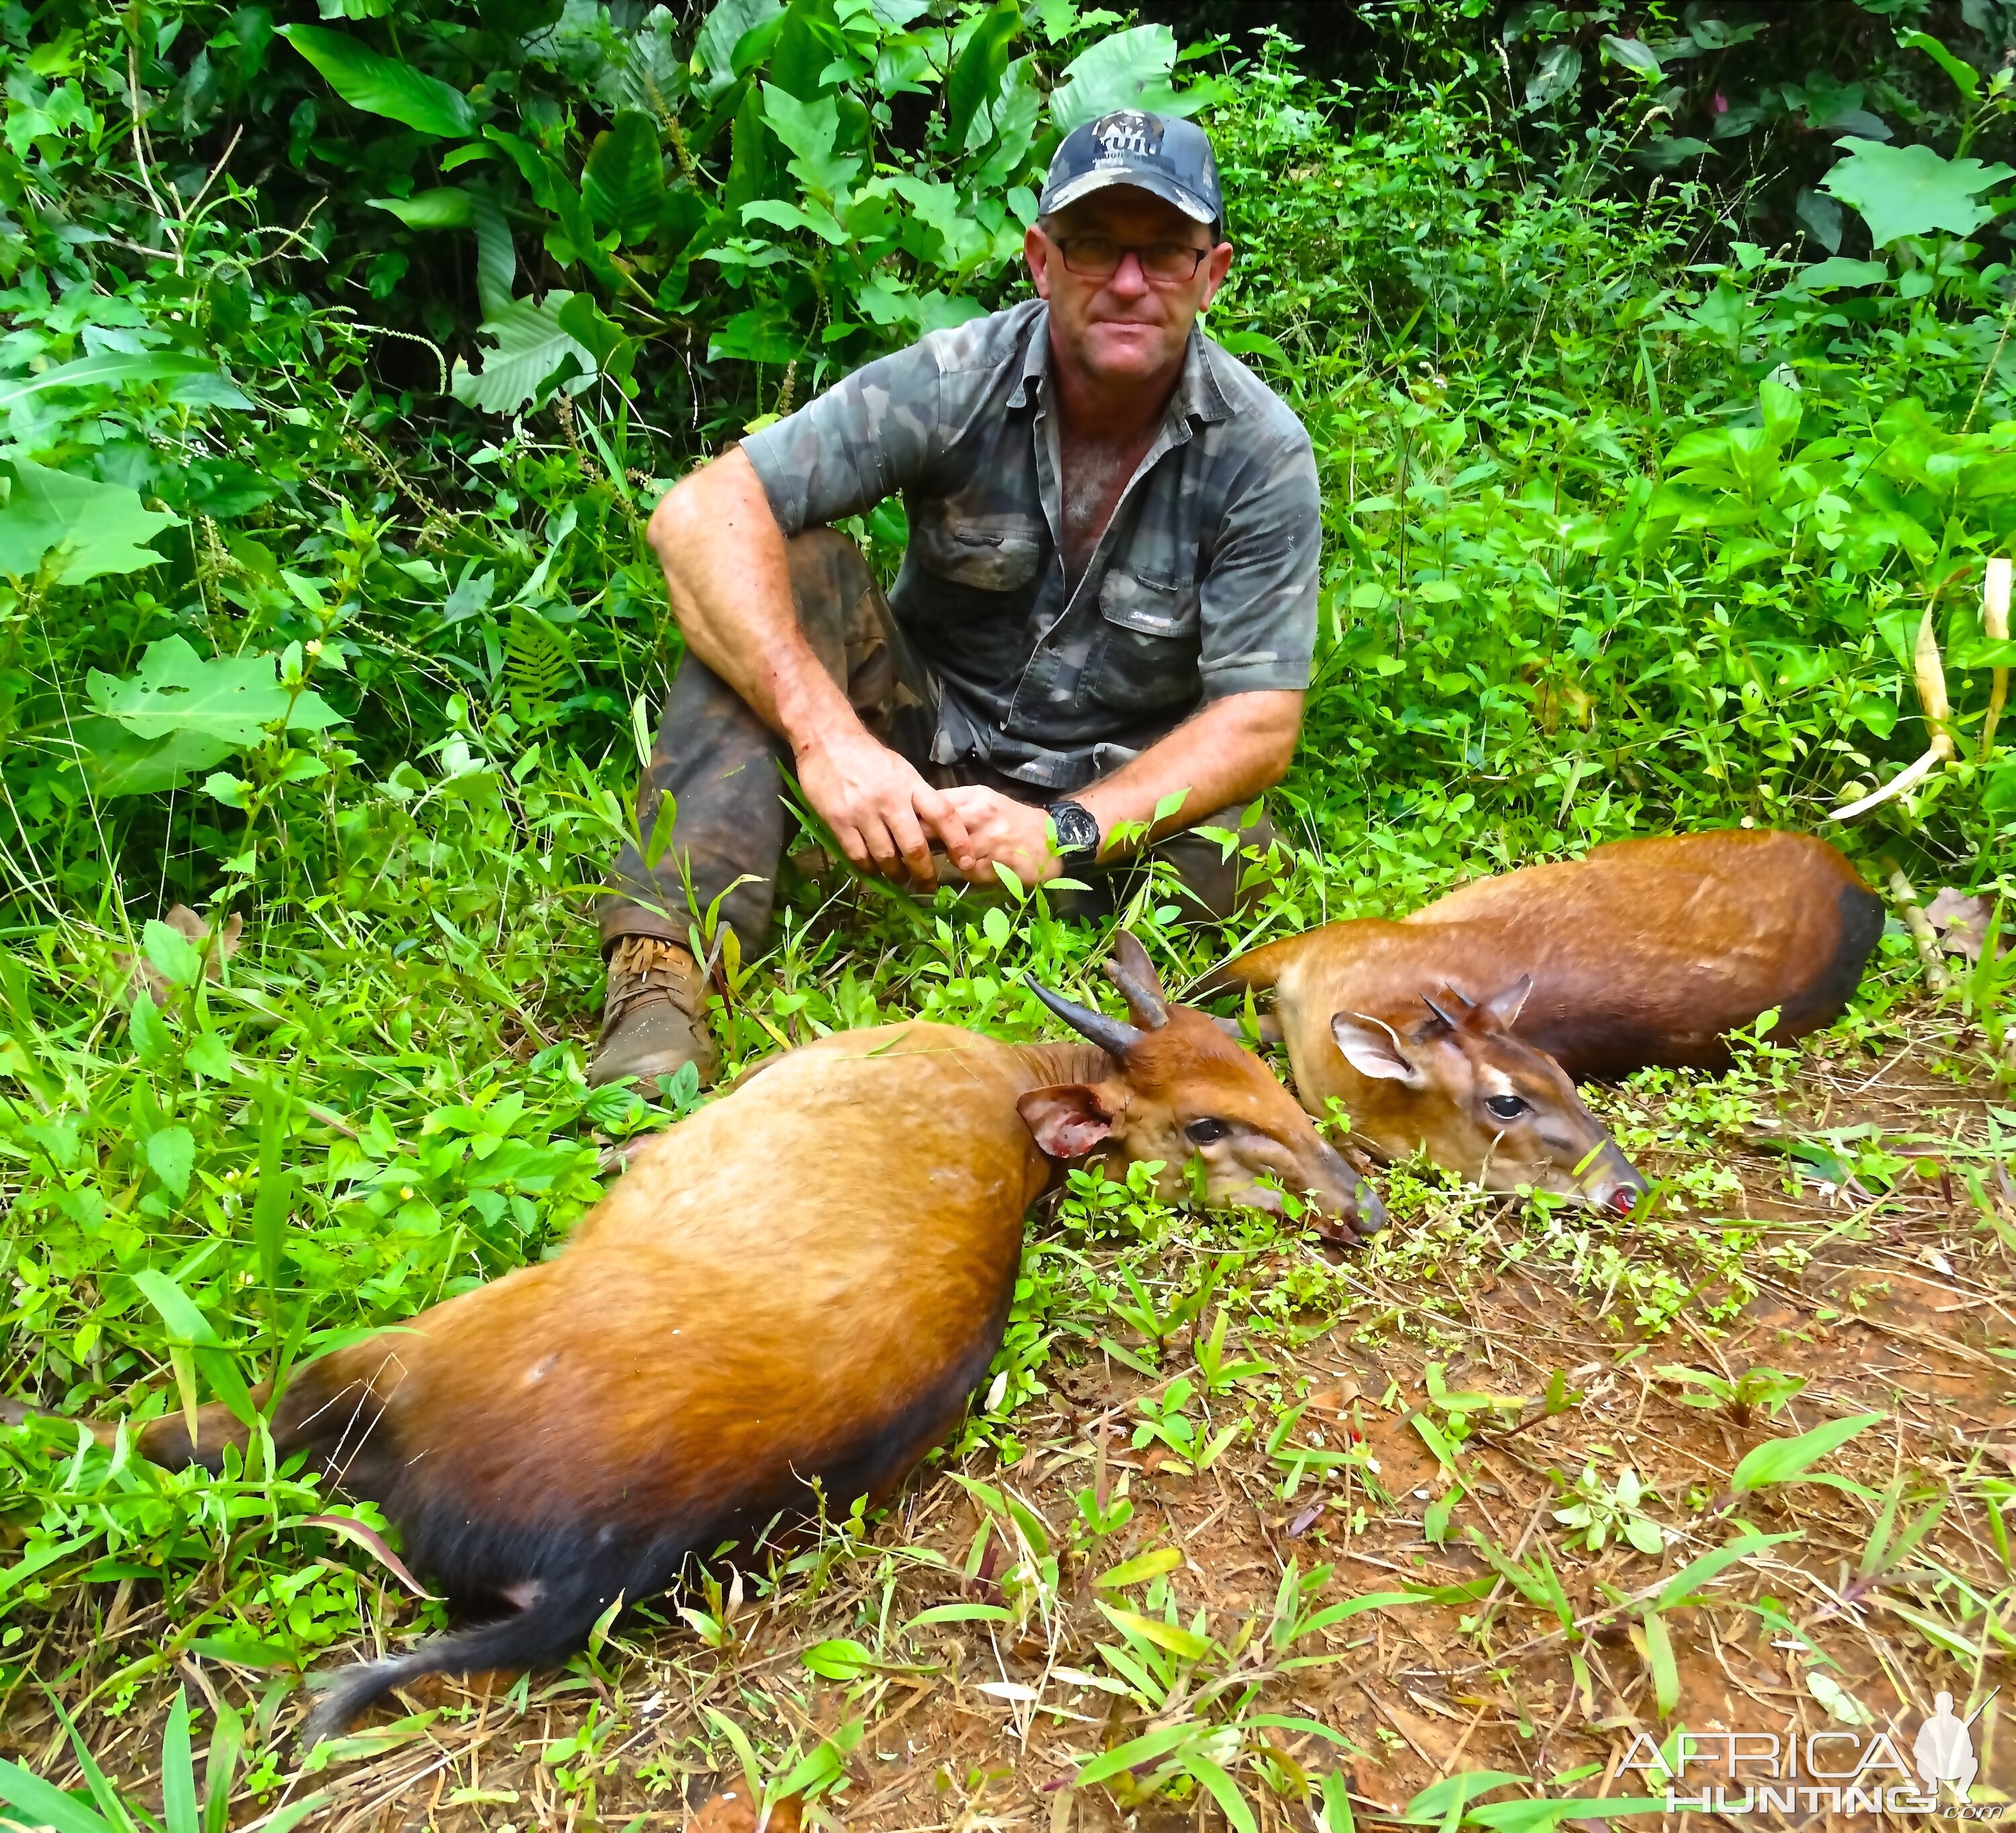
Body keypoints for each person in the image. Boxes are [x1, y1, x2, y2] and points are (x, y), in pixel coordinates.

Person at [590, 108, 1322, 1089]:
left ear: (1213, 273)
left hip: (1107, 812)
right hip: (915, 755)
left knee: (1244, 847)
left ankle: (1106, 1004)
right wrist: (831, 743)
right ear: (1040, 260)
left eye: (1165, 254)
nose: (1129, 282)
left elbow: (1260, 721)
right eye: (1095, 246)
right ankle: (662, 982)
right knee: (787, 571)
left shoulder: (1261, 452)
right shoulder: (953, 379)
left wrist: (1060, 831)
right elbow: (699, 514)